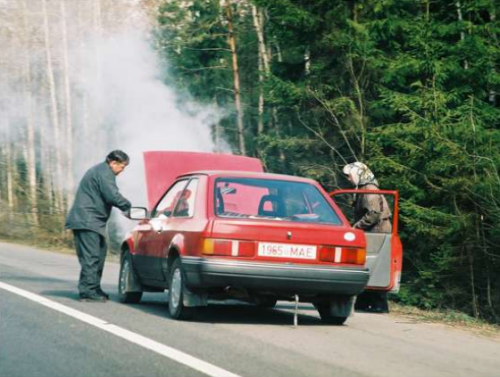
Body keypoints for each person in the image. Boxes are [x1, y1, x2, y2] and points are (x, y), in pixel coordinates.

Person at [66, 150, 132, 302]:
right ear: (113, 163)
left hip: (93, 221)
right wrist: (127, 207)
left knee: (100, 254)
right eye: (122, 167)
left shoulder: (101, 171)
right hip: (87, 220)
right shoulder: (104, 172)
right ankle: (87, 291)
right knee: (91, 257)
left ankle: (94, 287)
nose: (122, 171)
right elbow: (111, 195)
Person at [343, 162, 391, 312]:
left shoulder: (369, 189)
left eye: (349, 175)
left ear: (357, 173)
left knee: (375, 265)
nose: (348, 179)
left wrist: (355, 228)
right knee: (367, 264)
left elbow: (374, 213)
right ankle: (364, 301)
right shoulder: (364, 188)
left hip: (377, 230)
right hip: (372, 230)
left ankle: (379, 304)